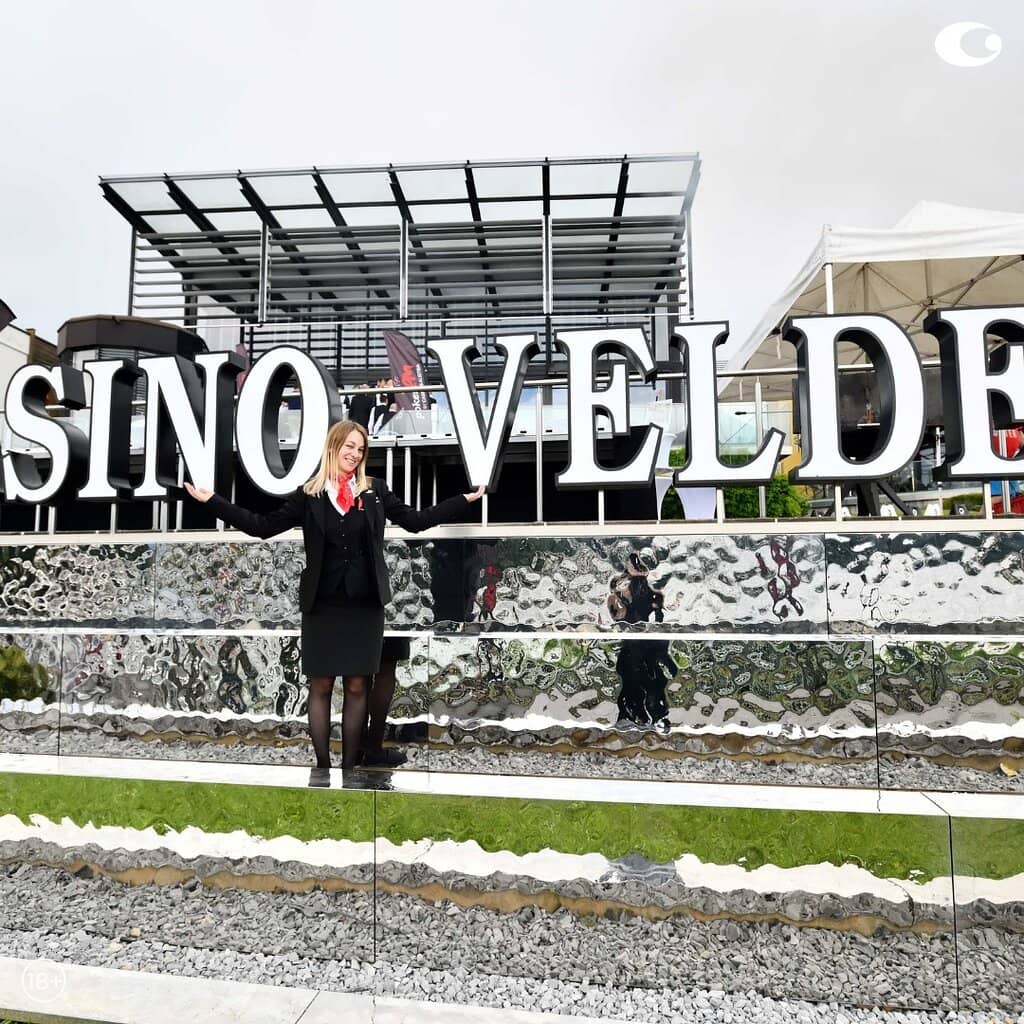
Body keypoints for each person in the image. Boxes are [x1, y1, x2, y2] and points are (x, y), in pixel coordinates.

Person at [185, 419, 484, 786]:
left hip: (364, 606)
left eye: (361, 450)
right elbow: (260, 526)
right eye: (350, 447)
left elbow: (416, 522)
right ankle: (322, 768)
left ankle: (350, 770)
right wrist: (212, 501)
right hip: (323, 605)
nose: (355, 454)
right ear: (334, 447)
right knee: (322, 685)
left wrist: (462, 501)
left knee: (359, 684)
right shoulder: (309, 495)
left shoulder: (374, 491)